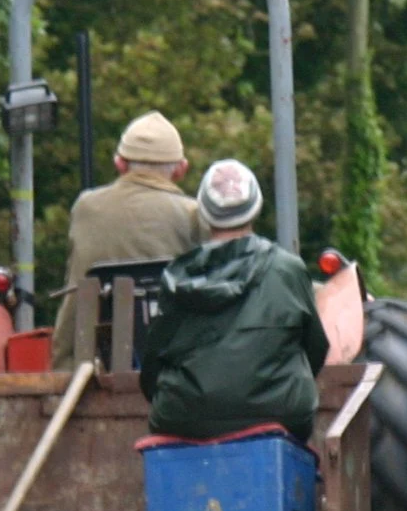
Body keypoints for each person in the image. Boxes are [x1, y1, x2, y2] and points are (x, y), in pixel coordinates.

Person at [138, 159, 328, 440]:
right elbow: (316, 349)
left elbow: (152, 365)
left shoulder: (177, 277)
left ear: (203, 213)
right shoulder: (288, 270)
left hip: (185, 417)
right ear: (256, 207)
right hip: (281, 412)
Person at [50, 111, 203, 367]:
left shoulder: (86, 208)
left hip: (95, 367)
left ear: (119, 164)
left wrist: (63, 365)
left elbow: (74, 296)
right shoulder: (193, 215)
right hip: (175, 369)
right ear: (181, 170)